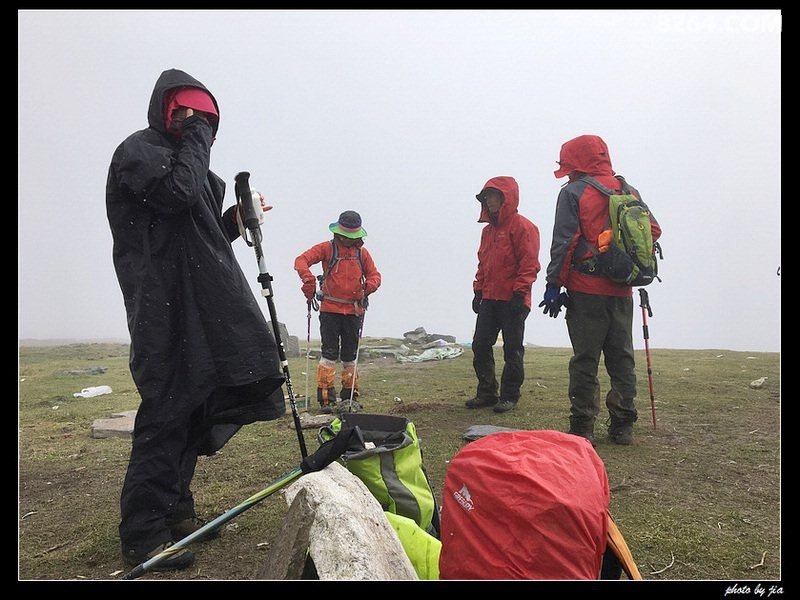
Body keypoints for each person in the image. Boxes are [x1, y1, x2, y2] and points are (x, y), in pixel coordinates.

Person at [106, 68, 286, 571]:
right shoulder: (139, 151)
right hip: (160, 306)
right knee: (165, 409)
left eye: (206, 119)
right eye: (187, 114)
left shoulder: (190, 166)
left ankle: (175, 513)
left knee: (191, 407)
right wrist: (198, 138)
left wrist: (233, 220)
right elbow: (177, 195)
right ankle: (143, 535)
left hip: (197, 307)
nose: (196, 124)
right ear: (167, 110)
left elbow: (197, 234)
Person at [539, 134, 661, 446]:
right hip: (622, 289)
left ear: (574, 162)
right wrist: (621, 258)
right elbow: (653, 230)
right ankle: (623, 426)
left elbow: (564, 243)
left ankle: (583, 427)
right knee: (622, 358)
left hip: (586, 289)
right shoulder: (628, 189)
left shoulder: (573, 192)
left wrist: (554, 284)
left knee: (585, 359)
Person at [294, 211, 381, 411]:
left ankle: (349, 397)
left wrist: (369, 286)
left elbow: (375, 275)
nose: (348, 239)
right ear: (338, 233)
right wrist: (307, 278)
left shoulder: (362, 254)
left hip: (354, 311)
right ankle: (326, 399)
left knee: (350, 355)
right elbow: (301, 260)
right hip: (330, 311)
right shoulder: (326, 248)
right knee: (329, 354)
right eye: (346, 235)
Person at [468, 176, 541, 414]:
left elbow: (529, 264)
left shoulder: (523, 227)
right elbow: (483, 264)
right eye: (486, 197)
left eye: (493, 195)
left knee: (512, 348)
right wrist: (478, 290)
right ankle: (487, 392)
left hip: (513, 299)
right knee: (480, 345)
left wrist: (520, 294)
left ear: (505, 198)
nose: (488, 201)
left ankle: (510, 396)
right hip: (490, 297)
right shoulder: (488, 231)